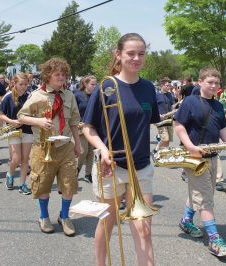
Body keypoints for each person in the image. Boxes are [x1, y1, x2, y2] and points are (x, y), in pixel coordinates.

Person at [83, 33, 159, 266]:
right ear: (119, 54)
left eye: (141, 54)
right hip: (111, 167)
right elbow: (88, 127)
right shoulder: (106, 86)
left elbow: (149, 122)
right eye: (131, 53)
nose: (136, 58)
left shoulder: (148, 88)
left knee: (144, 228)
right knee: (107, 223)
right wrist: (103, 150)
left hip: (142, 167)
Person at [174, 67, 226, 257]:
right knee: (205, 198)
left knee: (202, 193)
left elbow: (223, 131)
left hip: (213, 157)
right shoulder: (190, 101)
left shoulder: (218, 106)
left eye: (216, 83)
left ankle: (186, 220)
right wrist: (190, 147)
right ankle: (214, 240)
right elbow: (178, 125)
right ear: (200, 82)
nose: (213, 86)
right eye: (209, 82)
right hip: (194, 158)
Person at [18, 57, 82, 235]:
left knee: (69, 183)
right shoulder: (37, 95)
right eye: (57, 75)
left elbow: (75, 121)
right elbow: (21, 116)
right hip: (43, 147)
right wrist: (38, 121)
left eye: (63, 74)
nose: (61, 78)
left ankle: (64, 216)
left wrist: (78, 144)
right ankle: (44, 217)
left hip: (66, 146)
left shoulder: (69, 95)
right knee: (43, 184)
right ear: (47, 76)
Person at [0, 73, 33, 195]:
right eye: (21, 84)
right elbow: (0, 115)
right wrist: (12, 121)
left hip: (28, 130)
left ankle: (22, 184)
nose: (24, 87)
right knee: (16, 158)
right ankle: (10, 173)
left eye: (25, 84)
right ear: (14, 84)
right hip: (13, 130)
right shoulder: (8, 97)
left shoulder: (30, 97)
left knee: (25, 159)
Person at [74, 75, 97, 183]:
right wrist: (77, 123)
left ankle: (88, 174)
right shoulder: (77, 95)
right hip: (80, 128)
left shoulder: (96, 95)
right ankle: (76, 170)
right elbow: (73, 111)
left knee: (91, 152)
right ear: (85, 84)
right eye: (92, 84)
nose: (94, 86)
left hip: (92, 127)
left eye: (95, 84)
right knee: (83, 151)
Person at [155, 77, 175, 150]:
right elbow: (153, 107)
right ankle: (156, 150)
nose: (169, 87)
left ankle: (164, 154)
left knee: (168, 139)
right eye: (167, 85)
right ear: (162, 85)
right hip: (161, 120)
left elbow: (172, 106)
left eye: (169, 85)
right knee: (165, 138)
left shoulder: (170, 95)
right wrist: (157, 115)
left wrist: (174, 113)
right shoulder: (156, 95)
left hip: (169, 119)